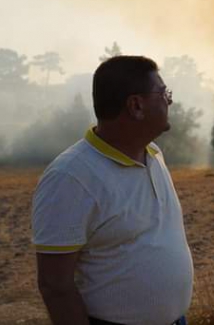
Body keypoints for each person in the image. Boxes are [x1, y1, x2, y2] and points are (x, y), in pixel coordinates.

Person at [32, 56, 193, 325]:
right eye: (163, 93)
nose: (169, 100)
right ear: (136, 105)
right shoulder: (70, 177)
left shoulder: (153, 154)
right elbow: (54, 285)